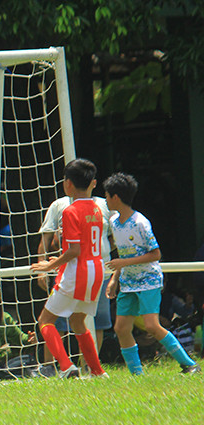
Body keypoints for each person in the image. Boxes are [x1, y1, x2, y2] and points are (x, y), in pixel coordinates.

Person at [103, 172, 199, 375]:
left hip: (148, 281)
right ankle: (137, 374)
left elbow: (155, 254)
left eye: (107, 195)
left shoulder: (140, 222)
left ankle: (189, 364)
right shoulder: (114, 222)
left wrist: (123, 263)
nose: (106, 199)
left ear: (116, 197)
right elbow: (122, 253)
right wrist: (114, 279)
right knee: (121, 328)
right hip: (128, 282)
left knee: (152, 326)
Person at [29, 158, 107, 378]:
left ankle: (66, 367)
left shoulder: (70, 211)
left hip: (77, 272)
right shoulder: (97, 209)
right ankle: (97, 371)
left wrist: (50, 264)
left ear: (68, 184)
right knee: (77, 321)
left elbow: (74, 251)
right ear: (92, 183)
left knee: (45, 321)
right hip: (96, 270)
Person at [36, 191, 114, 360]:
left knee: (50, 320)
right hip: (82, 271)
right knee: (64, 322)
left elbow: (74, 250)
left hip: (84, 272)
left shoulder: (101, 206)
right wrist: (45, 265)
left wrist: (49, 265)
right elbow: (48, 239)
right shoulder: (61, 205)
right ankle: (58, 366)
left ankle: (77, 366)